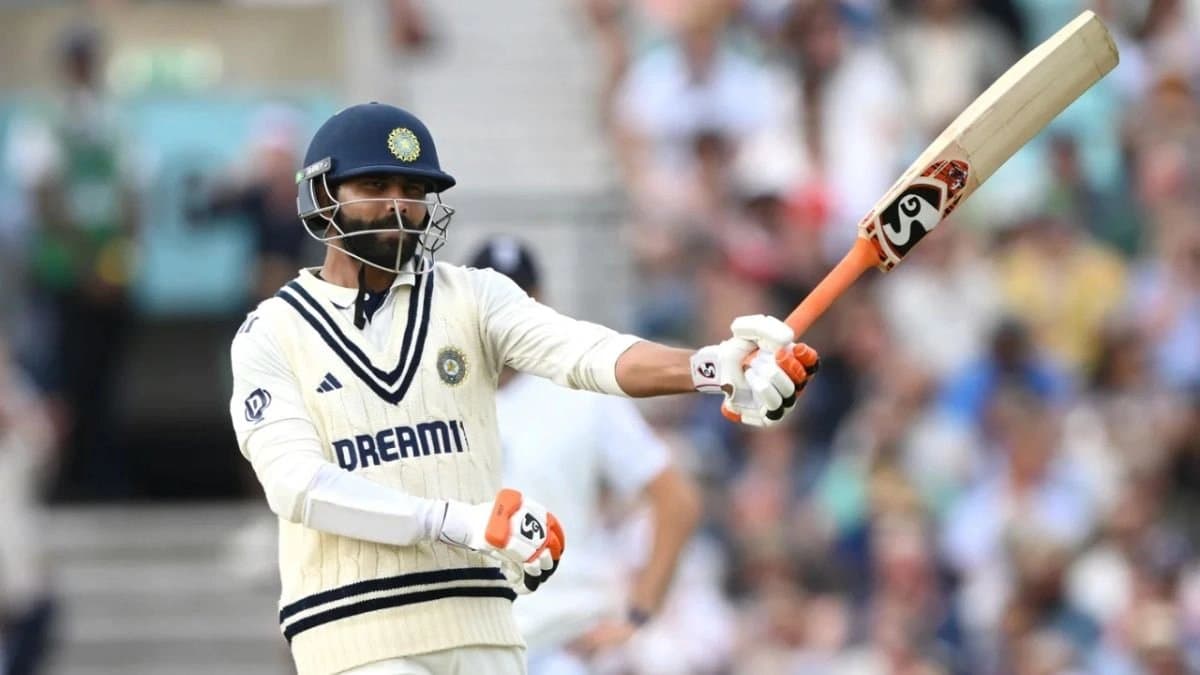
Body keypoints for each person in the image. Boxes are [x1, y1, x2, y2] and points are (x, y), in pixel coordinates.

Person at [227, 102, 820, 675]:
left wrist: (713, 368)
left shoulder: (473, 297)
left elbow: (585, 353)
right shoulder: (272, 333)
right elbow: (298, 485)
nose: (400, 207)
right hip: (356, 628)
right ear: (324, 194)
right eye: (376, 186)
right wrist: (458, 523)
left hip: (485, 623)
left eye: (413, 192)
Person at [469, 237, 702, 673]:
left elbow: (676, 499)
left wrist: (639, 611)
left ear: (542, 303)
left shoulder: (582, 393)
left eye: (520, 298)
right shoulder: (439, 392)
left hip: (561, 639)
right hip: (466, 645)